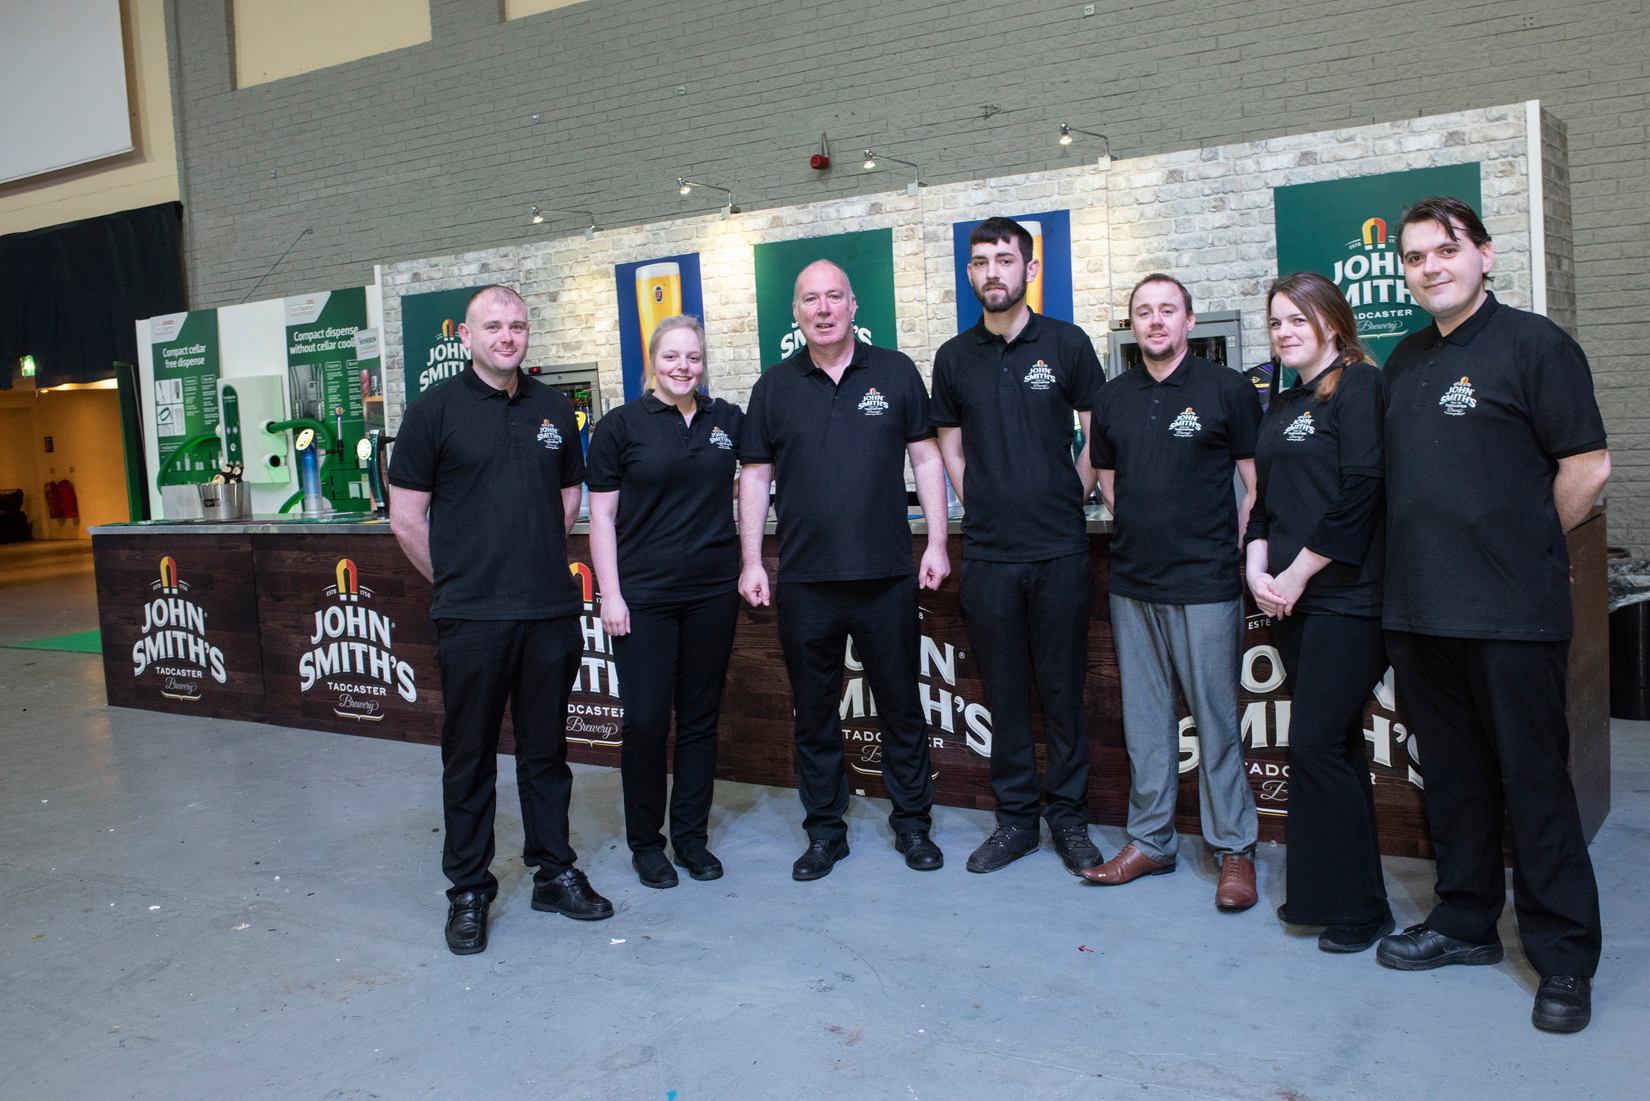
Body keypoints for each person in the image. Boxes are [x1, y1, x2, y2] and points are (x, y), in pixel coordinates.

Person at [1375, 196, 1610, 1033]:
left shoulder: (1536, 345)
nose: (1429, 267)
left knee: (1534, 785)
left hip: (1512, 615)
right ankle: (1465, 920)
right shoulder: (1404, 360)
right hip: (1421, 613)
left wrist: (1527, 542)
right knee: (1456, 784)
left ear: (1484, 254)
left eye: (1445, 250)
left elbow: (1587, 465)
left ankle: (1565, 955)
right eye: (1414, 257)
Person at [389, 283, 612, 956]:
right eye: (493, 326)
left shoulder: (554, 409)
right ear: (466, 336)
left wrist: (531, 561)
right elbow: (406, 517)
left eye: (517, 325)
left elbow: (568, 496)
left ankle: (553, 871)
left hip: (547, 611)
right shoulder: (433, 412)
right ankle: (468, 890)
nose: (507, 336)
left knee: (547, 753)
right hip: (472, 618)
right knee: (470, 757)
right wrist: (460, 582)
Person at [737, 260, 951, 881]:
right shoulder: (773, 387)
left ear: (854, 305)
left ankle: (913, 825)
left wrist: (937, 542)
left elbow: (926, 459)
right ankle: (825, 832)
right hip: (806, 581)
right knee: (815, 714)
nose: (823, 309)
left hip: (886, 575)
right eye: (811, 299)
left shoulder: (895, 371)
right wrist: (751, 560)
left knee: (901, 707)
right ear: (796, 313)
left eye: (834, 297)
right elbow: (754, 477)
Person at [1081, 273, 1263, 911]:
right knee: (1145, 724)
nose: (1155, 321)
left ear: (1189, 320)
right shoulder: (1111, 397)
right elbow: (1107, 479)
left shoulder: (1227, 390)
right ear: (1132, 325)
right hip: (1133, 583)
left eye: (1167, 310)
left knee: (1216, 721)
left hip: (1206, 583)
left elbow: (1256, 483)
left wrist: (1230, 546)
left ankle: (1234, 848)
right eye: (1143, 312)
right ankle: (1151, 841)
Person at [931, 216, 1104, 876]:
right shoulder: (954, 357)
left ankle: (1068, 819)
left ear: (1029, 269)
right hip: (990, 554)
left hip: (1059, 549)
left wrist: (1069, 492)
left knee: (1063, 693)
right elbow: (949, 445)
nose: (992, 271)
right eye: (981, 261)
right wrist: (977, 499)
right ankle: (1016, 822)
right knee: (1003, 696)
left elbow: (1097, 431)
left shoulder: (1066, 342)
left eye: (1004, 259)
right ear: (970, 273)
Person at [1244, 272, 1393, 952]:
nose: (1284, 332)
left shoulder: (1360, 386)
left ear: (1331, 322)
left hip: (1348, 599)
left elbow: (1361, 492)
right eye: (1276, 322)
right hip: (1290, 601)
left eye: (1297, 319)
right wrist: (1255, 567)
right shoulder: (1281, 403)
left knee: (1313, 746)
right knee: (1335, 748)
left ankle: (1362, 909)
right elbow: (1264, 504)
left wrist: (1297, 572)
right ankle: (1325, 897)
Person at [586, 315, 742, 889]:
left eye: (693, 357)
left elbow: (752, 478)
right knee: (647, 721)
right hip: (644, 596)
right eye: (672, 356)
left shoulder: (727, 420)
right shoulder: (619, 427)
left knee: (700, 721)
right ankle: (647, 843)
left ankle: (691, 839)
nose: (684, 367)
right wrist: (610, 594)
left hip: (712, 592)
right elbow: (601, 517)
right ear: (652, 361)